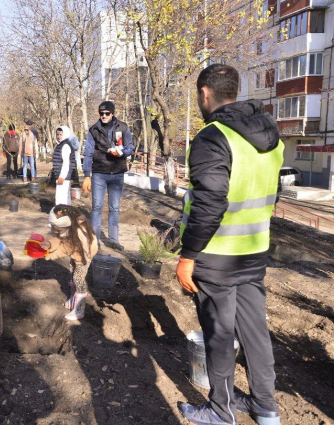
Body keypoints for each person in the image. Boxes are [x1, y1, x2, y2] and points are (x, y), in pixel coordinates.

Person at [176, 64, 284, 425]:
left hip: (217, 257)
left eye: (198, 96)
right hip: (254, 253)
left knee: (219, 336)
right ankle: (265, 408)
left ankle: (221, 412)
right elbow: (274, 192)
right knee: (255, 333)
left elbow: (209, 203)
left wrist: (187, 256)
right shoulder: (271, 136)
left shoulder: (213, 137)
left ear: (205, 93)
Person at [82, 101, 133, 252]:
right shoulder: (93, 130)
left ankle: (113, 239)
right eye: (101, 113)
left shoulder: (123, 127)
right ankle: (94, 240)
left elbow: (130, 147)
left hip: (117, 173)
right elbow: (88, 153)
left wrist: (122, 152)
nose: (104, 116)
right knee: (97, 207)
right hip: (99, 173)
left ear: (112, 113)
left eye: (107, 113)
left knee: (115, 207)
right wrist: (86, 175)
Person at [39, 205, 98, 321]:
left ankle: (79, 309)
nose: (56, 231)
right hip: (76, 253)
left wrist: (50, 255)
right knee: (72, 274)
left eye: (58, 229)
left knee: (78, 279)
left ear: (67, 225)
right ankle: (73, 298)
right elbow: (59, 239)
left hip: (85, 255)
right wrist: (50, 244)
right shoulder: (68, 227)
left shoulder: (78, 234)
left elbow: (65, 248)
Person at [53, 126, 77, 206]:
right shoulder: (61, 145)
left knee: (61, 198)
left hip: (63, 176)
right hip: (61, 175)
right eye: (57, 134)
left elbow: (66, 163)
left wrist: (62, 177)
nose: (59, 136)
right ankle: (66, 214)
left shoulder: (65, 146)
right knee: (66, 197)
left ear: (65, 134)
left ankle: (62, 215)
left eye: (60, 134)